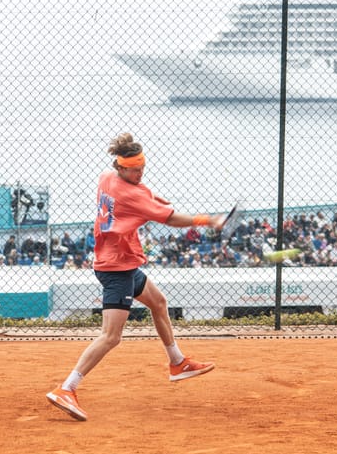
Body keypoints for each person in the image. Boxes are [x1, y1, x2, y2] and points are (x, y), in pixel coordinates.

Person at [46, 133, 225, 422]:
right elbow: (170, 219)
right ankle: (67, 388)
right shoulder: (132, 194)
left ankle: (177, 363)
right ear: (122, 167)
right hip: (116, 270)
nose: (141, 173)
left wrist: (154, 198)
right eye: (135, 170)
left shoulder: (107, 177)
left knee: (158, 302)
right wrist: (207, 220)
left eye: (143, 167)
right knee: (110, 336)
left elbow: (144, 195)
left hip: (123, 263)